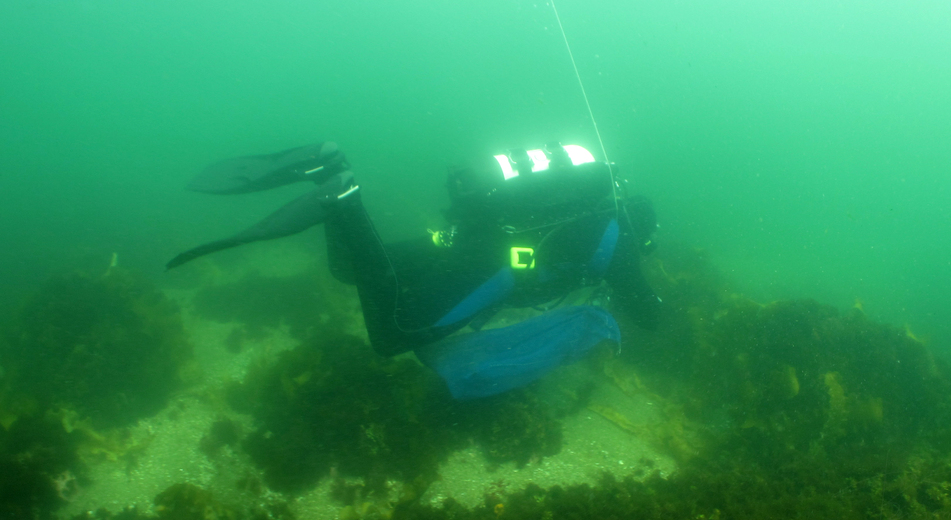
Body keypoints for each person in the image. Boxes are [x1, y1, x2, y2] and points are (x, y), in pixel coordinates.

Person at [168, 142, 661, 398]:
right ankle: (344, 199)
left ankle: (329, 170)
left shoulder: (583, 208)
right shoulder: (618, 236)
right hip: (491, 265)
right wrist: (647, 291)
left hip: (464, 238)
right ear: (640, 227)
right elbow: (648, 315)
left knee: (350, 269)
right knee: (393, 335)